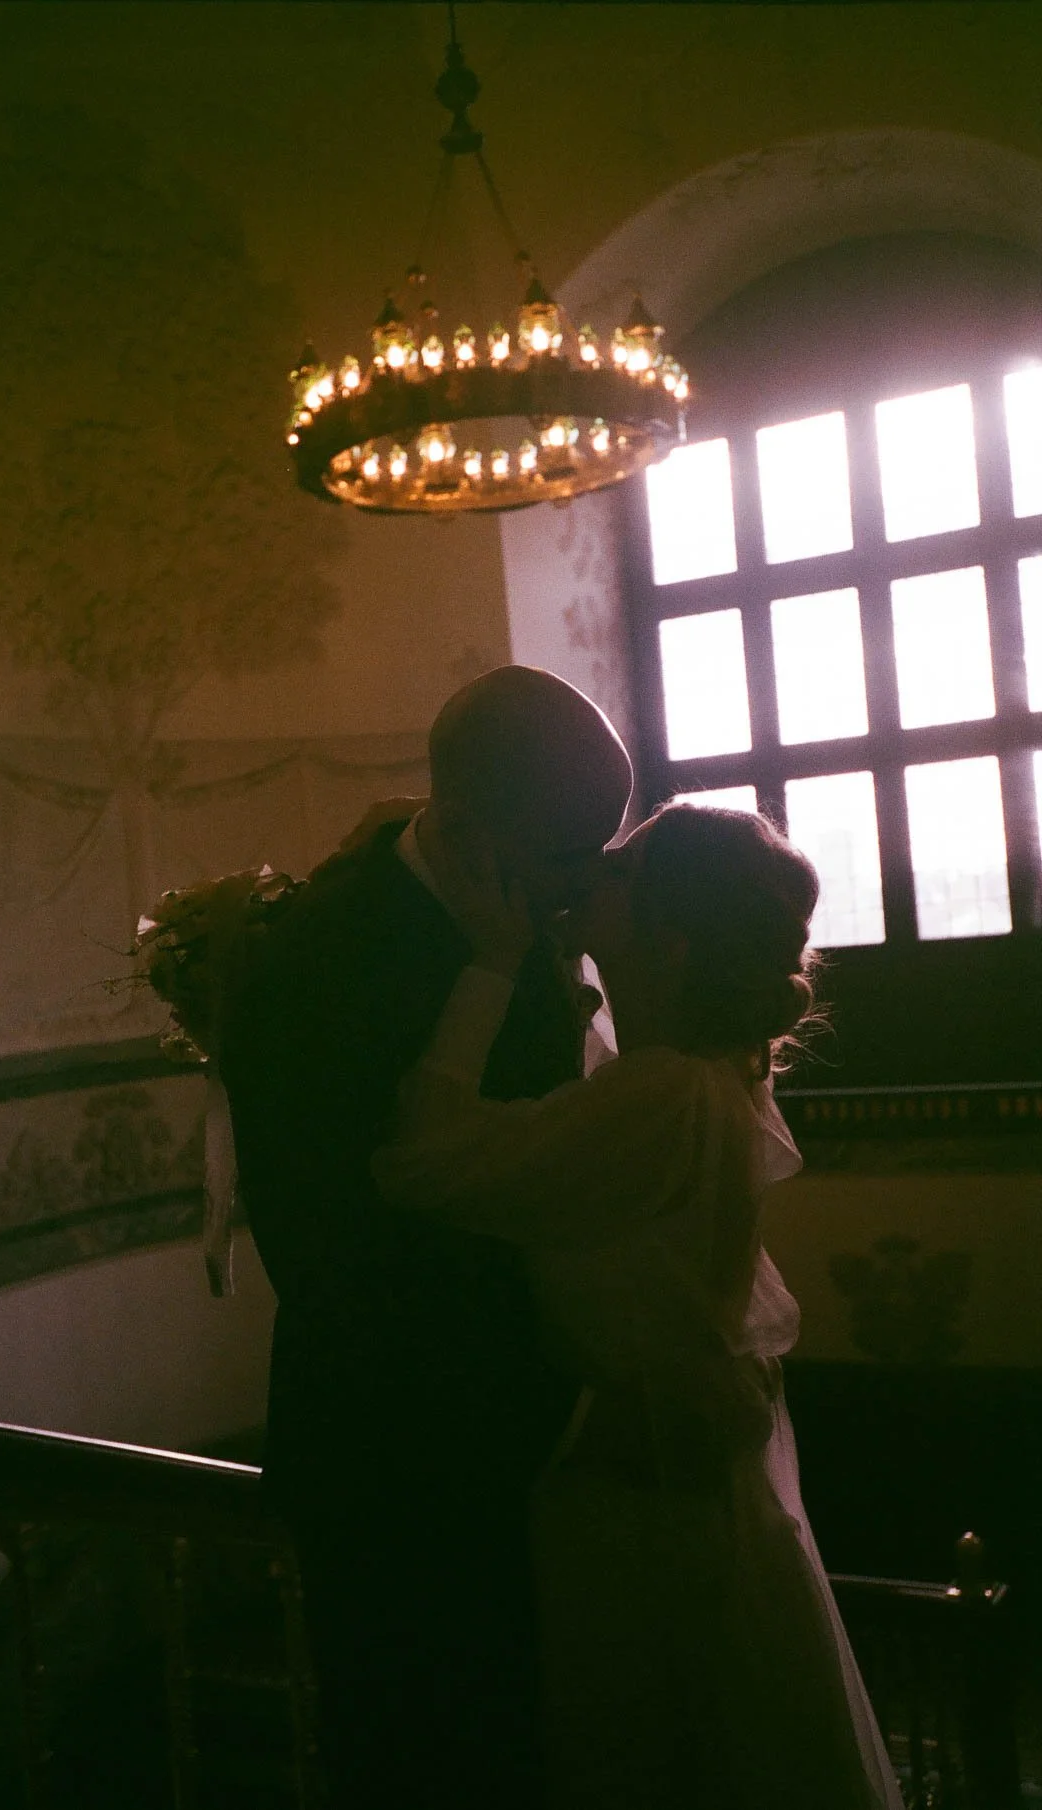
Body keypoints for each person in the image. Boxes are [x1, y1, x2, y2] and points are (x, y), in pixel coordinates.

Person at [373, 802, 904, 1810]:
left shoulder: (660, 1095)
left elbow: (423, 1162)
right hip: (669, 1486)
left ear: (670, 936)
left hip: (634, 1511)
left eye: (619, 867)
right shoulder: (695, 1077)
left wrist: (489, 960)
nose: (590, 868)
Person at [217, 665, 633, 1810]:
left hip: (532, 1443)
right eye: (566, 856)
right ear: (457, 825)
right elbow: (329, 1243)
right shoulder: (315, 961)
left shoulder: (513, 926)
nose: (580, 887)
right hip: (395, 1451)